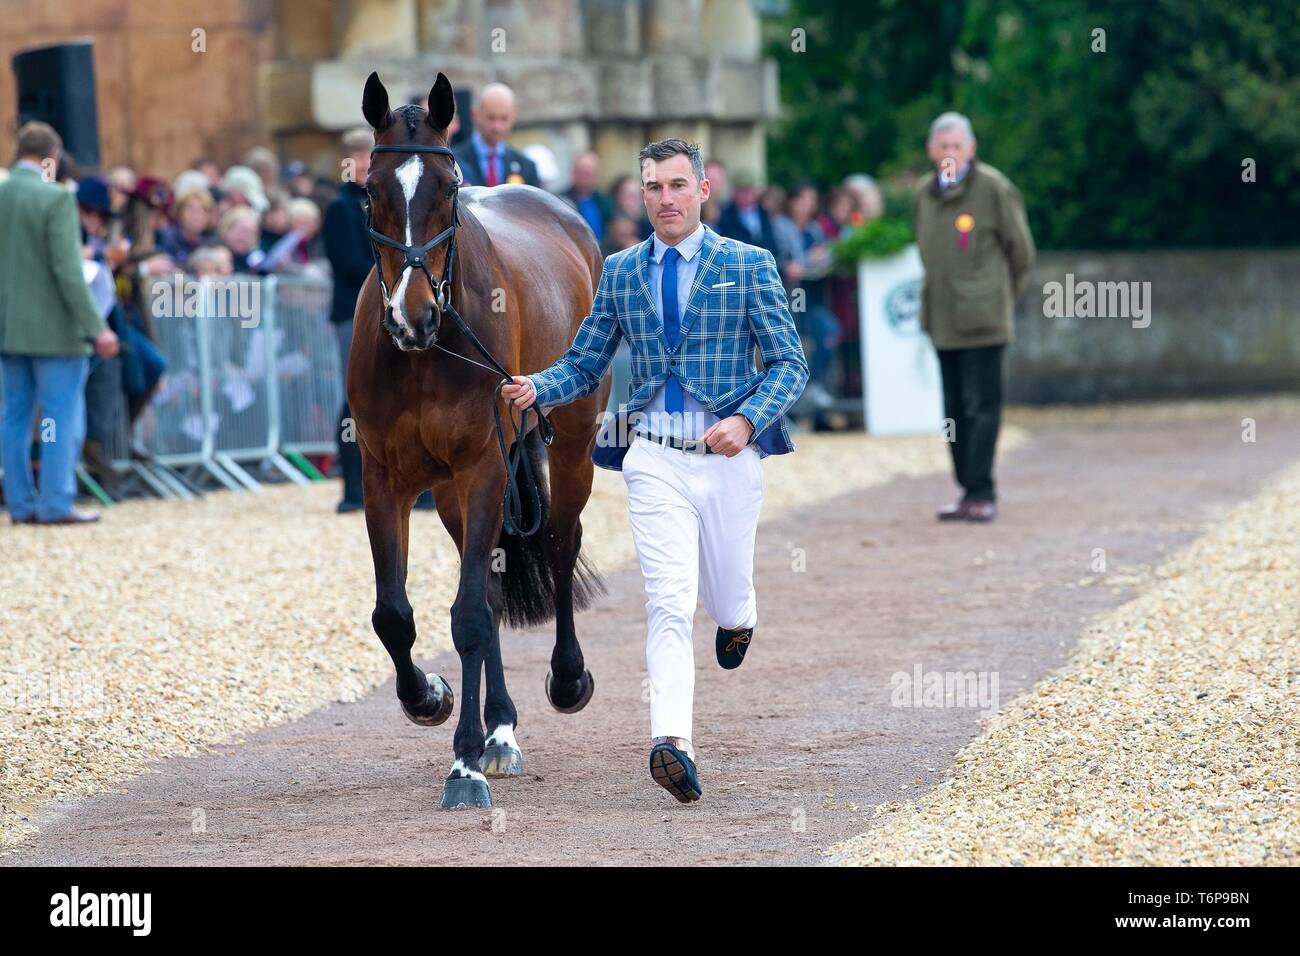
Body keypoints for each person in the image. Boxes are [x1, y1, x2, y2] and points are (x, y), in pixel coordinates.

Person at [501, 138, 808, 804]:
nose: (664, 198)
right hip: (654, 458)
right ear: (641, 195)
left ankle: (738, 618)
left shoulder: (749, 264)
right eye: (652, 187)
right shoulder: (620, 271)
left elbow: (790, 364)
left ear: (702, 189)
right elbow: (585, 363)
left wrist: (748, 420)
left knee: (726, 596)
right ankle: (672, 743)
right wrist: (536, 386)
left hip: (730, 459)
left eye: (676, 185)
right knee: (668, 601)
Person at [914, 112, 1035, 523]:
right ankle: (967, 488)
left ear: (971, 149)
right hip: (943, 317)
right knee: (953, 410)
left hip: (985, 319)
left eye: (957, 146)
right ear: (932, 151)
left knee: (983, 405)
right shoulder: (923, 194)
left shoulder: (994, 188)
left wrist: (1000, 299)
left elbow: (1022, 253)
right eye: (942, 146)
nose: (949, 153)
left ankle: (983, 490)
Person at [0, 122, 119, 525]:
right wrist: (96, 326)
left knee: (14, 417)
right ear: (51, 155)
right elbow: (68, 270)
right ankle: (54, 501)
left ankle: (19, 502)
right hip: (52, 331)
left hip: (8, 328)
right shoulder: (55, 198)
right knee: (55, 419)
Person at [451, 83, 539, 187]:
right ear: (475, 115)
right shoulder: (453, 162)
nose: (497, 127)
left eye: (504, 119)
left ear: (514, 117)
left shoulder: (527, 167)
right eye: (491, 118)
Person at [717, 170, 778, 257]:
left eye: (749, 189)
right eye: (742, 190)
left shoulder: (764, 213)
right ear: (734, 192)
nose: (746, 194)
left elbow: (772, 244)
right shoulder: (725, 216)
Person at [561, 151, 615, 244]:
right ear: (573, 172)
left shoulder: (607, 201)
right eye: (583, 171)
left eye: (591, 172)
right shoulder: (561, 201)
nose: (587, 176)